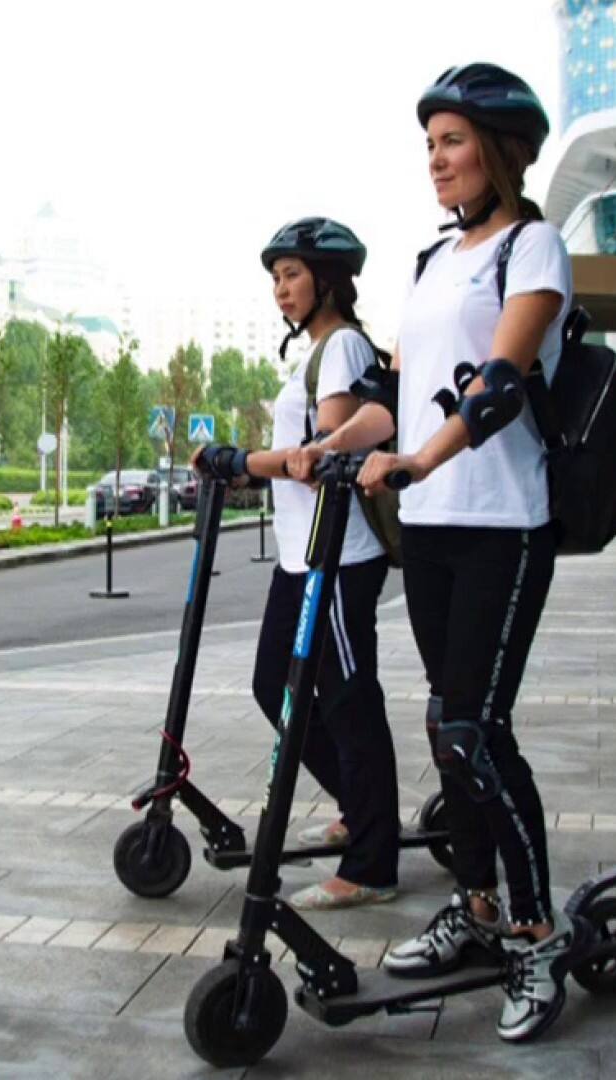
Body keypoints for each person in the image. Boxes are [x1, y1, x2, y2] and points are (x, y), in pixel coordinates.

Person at [291, 63, 577, 1043]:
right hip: (436, 527)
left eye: (452, 142)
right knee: (442, 726)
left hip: (505, 520)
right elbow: (395, 397)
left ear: (500, 151)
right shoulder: (430, 262)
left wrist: (420, 457)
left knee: (476, 730)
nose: (437, 160)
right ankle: (481, 905)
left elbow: (498, 385)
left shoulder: (534, 248)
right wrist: (328, 449)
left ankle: (536, 931)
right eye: (430, 145)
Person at [191, 217, 400, 911]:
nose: (280, 289)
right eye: (276, 278)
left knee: (347, 698)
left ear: (328, 281)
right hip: (300, 558)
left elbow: (323, 462)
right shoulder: (315, 352)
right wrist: (246, 468)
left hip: (337, 559)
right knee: (270, 684)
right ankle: (357, 802)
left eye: (292, 275)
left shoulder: (340, 348)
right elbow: (296, 459)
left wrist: (242, 460)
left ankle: (372, 859)